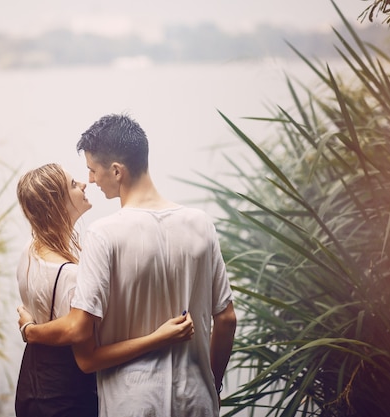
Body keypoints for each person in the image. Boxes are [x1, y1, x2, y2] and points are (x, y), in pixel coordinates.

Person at [18, 114, 237, 417]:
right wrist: (213, 383)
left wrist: (31, 330)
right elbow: (226, 321)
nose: (91, 180)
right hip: (197, 401)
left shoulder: (103, 235)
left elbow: (86, 356)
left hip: (133, 404)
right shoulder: (201, 224)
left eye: (93, 170)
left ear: (117, 171)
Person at [14, 162, 194, 417]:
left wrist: (30, 329)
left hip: (32, 383)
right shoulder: (71, 275)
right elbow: (90, 360)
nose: (84, 184)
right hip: (66, 395)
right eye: (73, 184)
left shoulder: (30, 251)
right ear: (57, 204)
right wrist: (160, 337)